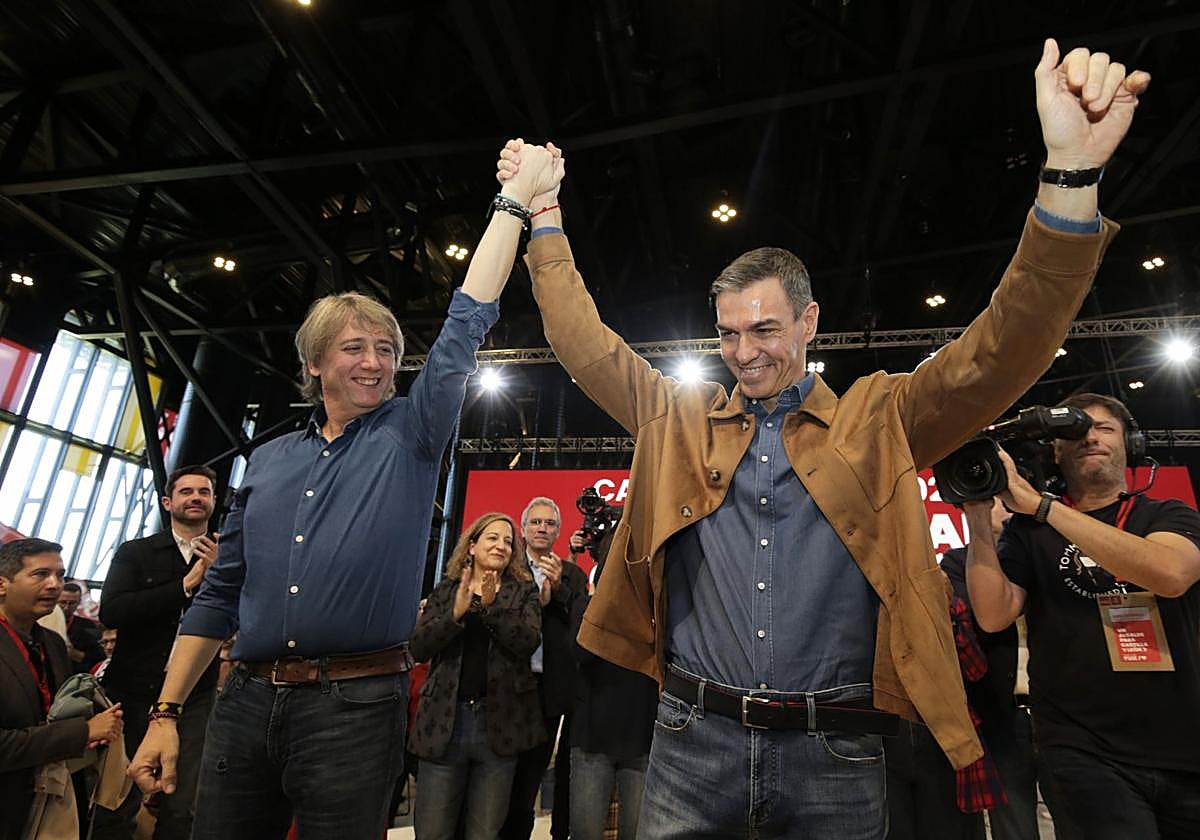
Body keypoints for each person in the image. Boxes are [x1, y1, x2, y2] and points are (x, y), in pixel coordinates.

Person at [499, 40, 1148, 838]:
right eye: (728, 333)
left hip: (835, 753)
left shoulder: (883, 417)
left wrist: (1070, 178)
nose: (744, 352)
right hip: (690, 741)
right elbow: (582, 341)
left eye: (765, 329)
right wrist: (545, 217)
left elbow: (1003, 348)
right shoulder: (677, 417)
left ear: (808, 322)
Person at [127, 142, 559, 840]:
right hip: (243, 703)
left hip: (354, 708)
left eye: (386, 350)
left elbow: (466, 319)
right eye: (355, 348)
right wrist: (167, 714)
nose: (374, 362)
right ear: (315, 364)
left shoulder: (413, 433)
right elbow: (218, 595)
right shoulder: (267, 462)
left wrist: (512, 203)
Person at [965, 394, 1200, 840]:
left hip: (1183, 743)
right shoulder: (1028, 533)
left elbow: (1171, 575)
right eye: (1074, 433)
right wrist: (978, 517)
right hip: (1079, 746)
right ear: (1055, 452)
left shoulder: (1167, 514)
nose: (1090, 438)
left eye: (1105, 429)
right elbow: (993, 615)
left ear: (1131, 443)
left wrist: (1044, 507)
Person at [93, 464, 222, 840]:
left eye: (203, 492)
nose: (195, 498)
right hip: (132, 690)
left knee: (183, 804)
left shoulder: (228, 556)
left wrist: (223, 576)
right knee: (116, 797)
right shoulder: (137, 552)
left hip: (195, 695)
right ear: (168, 502)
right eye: (186, 491)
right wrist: (185, 585)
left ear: (214, 501)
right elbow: (112, 611)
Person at [410, 513, 545, 839]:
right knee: (432, 832)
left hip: (499, 728)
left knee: (485, 833)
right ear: (471, 546)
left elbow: (528, 642)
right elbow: (419, 648)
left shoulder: (523, 591)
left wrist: (490, 608)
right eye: (492, 538)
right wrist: (455, 614)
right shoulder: (447, 589)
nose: (501, 546)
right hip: (444, 725)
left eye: (508, 541)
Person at [0, 538, 124, 840]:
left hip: (43, 800)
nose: (55, 585)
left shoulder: (52, 644)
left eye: (60, 574)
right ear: (2, 584)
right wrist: (82, 732)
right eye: (41, 574)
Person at [501, 497, 588, 840]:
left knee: (531, 779)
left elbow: (581, 625)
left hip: (547, 693)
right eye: (535, 522)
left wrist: (560, 590)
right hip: (507, 687)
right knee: (502, 780)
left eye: (549, 523)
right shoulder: (506, 568)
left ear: (558, 532)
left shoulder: (573, 574)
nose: (542, 528)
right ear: (522, 530)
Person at [567, 528, 657, 840]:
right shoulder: (586, 606)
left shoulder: (657, 612)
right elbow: (581, 653)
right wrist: (609, 598)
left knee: (638, 833)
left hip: (644, 739)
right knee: (585, 832)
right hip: (592, 739)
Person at [59, 581, 105, 674]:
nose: (66, 607)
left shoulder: (88, 626)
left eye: (72, 603)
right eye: (63, 602)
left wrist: (75, 654)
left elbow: (99, 657)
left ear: (79, 602)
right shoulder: (43, 621)